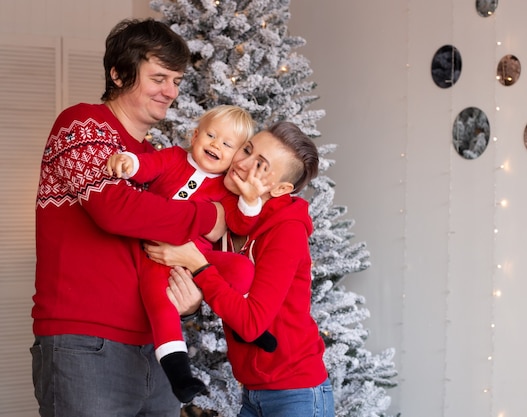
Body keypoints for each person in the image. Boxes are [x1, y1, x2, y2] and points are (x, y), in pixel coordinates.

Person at [31, 18, 227, 417]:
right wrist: (210, 216)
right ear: (119, 74)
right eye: (159, 77)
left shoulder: (155, 157)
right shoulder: (82, 125)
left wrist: (190, 296)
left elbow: (168, 242)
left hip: (157, 346)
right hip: (85, 344)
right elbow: (117, 211)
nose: (170, 91)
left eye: (176, 80)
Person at [144, 121, 336, 417]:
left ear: (282, 188)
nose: (241, 163)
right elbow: (227, 288)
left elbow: (251, 322)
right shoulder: (232, 213)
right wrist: (193, 300)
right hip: (254, 391)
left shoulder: (286, 230)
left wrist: (196, 263)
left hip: (295, 394)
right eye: (247, 149)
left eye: (260, 165)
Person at [106, 105, 278, 402]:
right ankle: (179, 374)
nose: (215, 145)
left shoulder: (226, 188)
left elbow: (239, 222)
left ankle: (245, 328)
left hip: (198, 260)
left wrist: (250, 200)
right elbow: (147, 166)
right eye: (210, 135)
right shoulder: (173, 157)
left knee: (241, 269)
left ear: (235, 156)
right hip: (156, 256)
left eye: (227, 144)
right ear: (195, 135)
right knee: (162, 303)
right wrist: (129, 162)